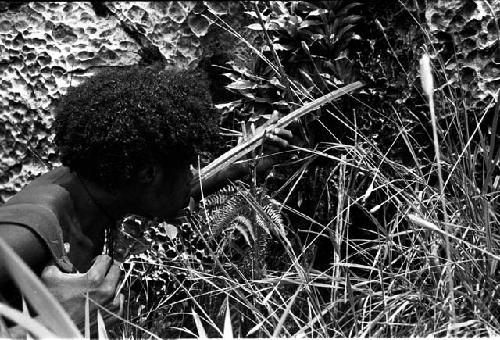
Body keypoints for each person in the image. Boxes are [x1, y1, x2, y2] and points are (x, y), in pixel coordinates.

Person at [0, 66, 292, 331]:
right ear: (149, 172)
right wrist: (59, 322)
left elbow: (161, 193)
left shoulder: (95, 186)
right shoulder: (28, 231)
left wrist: (241, 166)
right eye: (188, 165)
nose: (194, 173)